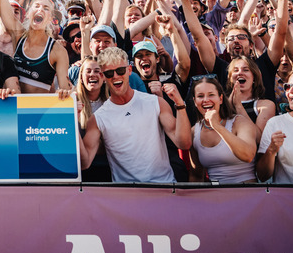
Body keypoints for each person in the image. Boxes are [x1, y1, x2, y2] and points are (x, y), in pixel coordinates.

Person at [79, 48, 189, 183]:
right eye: (109, 73)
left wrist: (180, 104)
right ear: (103, 76)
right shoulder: (98, 118)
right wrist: (70, 121)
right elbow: (84, 163)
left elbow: (184, 143)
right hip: (127, 192)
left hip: (163, 186)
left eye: (120, 70)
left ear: (129, 70)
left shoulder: (155, 103)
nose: (115, 76)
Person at [187, 77, 258, 183]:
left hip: (245, 188)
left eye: (211, 95)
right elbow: (196, 176)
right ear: (195, 101)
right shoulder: (194, 131)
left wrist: (217, 126)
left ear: (220, 99)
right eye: (200, 96)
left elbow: (248, 156)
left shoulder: (239, 122)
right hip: (216, 191)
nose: (206, 100)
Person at [226, 56, 274, 137]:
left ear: (254, 77)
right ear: (230, 78)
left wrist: (238, 106)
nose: (240, 73)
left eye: (245, 70)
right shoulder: (221, 104)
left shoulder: (266, 105)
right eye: (235, 70)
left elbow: (259, 138)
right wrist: (228, 105)